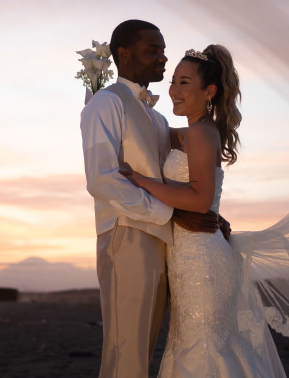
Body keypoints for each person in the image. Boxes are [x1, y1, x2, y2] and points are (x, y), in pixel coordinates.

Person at [122, 45, 285, 377]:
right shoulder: (193, 131)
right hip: (191, 253)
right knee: (195, 345)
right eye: (173, 81)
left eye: (184, 83)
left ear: (209, 91)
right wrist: (113, 98)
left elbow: (199, 199)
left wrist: (141, 180)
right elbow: (151, 132)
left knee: (203, 349)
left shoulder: (200, 132)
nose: (174, 90)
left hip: (201, 260)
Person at [80, 20, 225, 378]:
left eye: (163, 50)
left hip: (164, 244)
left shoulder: (158, 117)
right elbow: (103, 180)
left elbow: (182, 172)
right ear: (124, 55)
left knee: (142, 355)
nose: (163, 58)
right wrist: (172, 215)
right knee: (126, 355)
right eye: (153, 51)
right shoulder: (106, 103)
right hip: (127, 237)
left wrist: (211, 214)